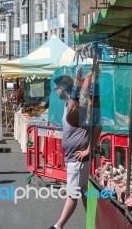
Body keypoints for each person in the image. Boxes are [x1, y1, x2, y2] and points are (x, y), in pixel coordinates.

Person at [48, 75, 102, 229]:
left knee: (73, 194)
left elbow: (97, 126)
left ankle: (58, 226)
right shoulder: (69, 104)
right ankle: (95, 222)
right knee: (83, 191)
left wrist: (89, 149)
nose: (55, 91)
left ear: (61, 88)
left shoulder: (78, 106)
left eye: (55, 88)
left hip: (77, 159)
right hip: (73, 157)